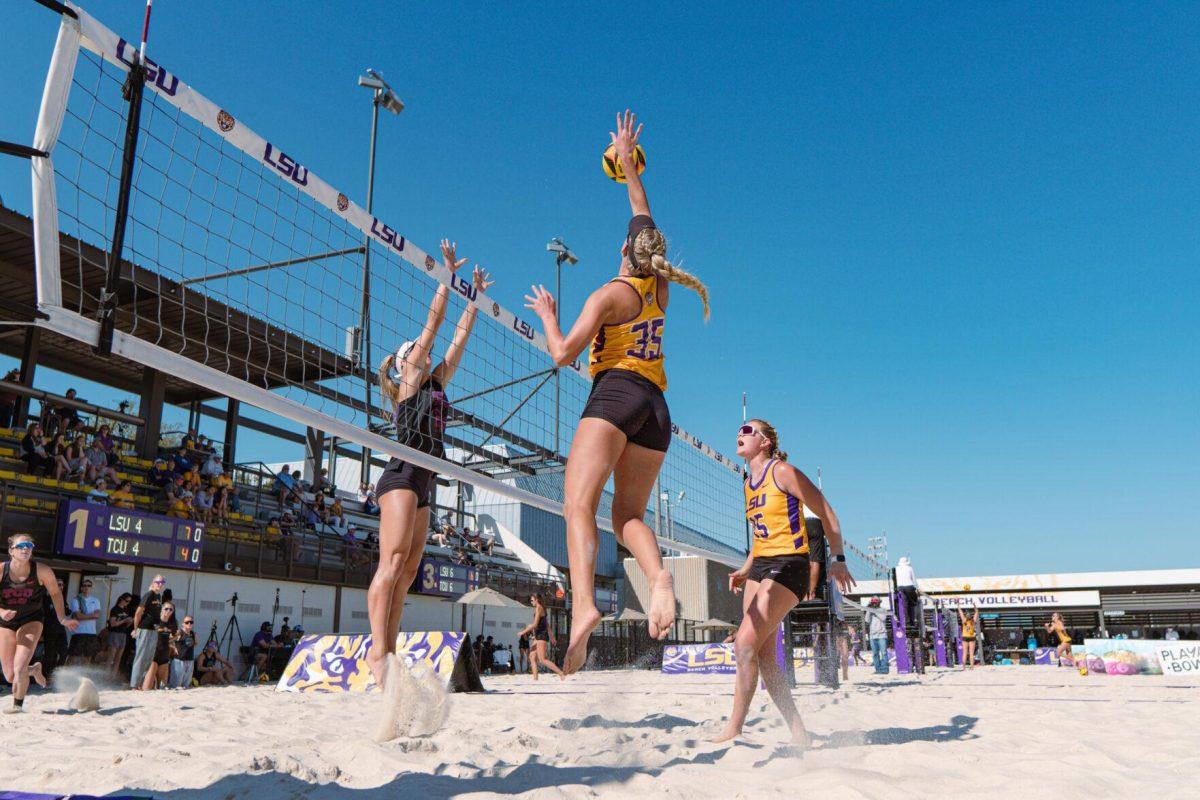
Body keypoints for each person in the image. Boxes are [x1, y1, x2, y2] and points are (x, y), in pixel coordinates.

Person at [523, 111, 711, 674]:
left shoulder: (609, 294)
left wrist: (549, 318)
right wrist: (628, 162)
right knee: (628, 514)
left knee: (576, 504)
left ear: (626, 254)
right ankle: (657, 577)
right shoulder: (659, 290)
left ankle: (583, 608)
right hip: (657, 411)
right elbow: (641, 213)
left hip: (617, 394)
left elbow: (562, 355)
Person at [365, 239, 493, 688]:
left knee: (408, 573)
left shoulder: (436, 381)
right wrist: (446, 275)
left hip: (425, 481)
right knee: (392, 562)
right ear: (404, 365)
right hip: (401, 475)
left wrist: (473, 296)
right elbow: (434, 325)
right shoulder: (408, 383)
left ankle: (391, 650)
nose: (422, 351)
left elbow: (457, 339)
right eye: (415, 351)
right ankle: (376, 653)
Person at [715, 419, 855, 744]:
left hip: (791, 563)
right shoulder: (748, 484)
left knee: (743, 643)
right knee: (763, 656)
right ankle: (798, 732)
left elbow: (826, 511)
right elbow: (761, 533)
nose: (740, 433)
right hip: (761, 564)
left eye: (748, 430)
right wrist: (745, 567)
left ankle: (734, 727)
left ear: (765, 442)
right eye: (738, 429)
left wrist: (839, 558)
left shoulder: (783, 472)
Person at [0, 534, 78, 712]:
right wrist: (2, 612)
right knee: (11, 675)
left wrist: (62, 618)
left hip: (31, 620)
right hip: (5, 622)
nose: (26, 548)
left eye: (30, 545)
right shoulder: (1, 570)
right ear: (11, 551)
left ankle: (17, 706)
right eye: (21, 546)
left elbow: (56, 594)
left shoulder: (41, 570)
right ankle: (34, 669)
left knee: (19, 668)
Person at [130, 574, 167, 688]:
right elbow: (138, 613)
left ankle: (140, 683)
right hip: (144, 629)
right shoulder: (149, 594)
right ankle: (134, 684)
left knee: (149, 658)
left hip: (153, 630)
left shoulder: (159, 596)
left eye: (162, 582)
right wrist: (136, 629)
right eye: (157, 582)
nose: (159, 584)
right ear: (153, 582)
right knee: (141, 657)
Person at [518, 593, 564, 680]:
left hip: (542, 636)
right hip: (537, 636)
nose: (531, 602)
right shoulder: (538, 608)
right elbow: (546, 624)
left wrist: (523, 631)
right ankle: (535, 679)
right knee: (532, 656)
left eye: (532, 600)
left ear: (537, 600)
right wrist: (552, 636)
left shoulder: (539, 608)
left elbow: (535, 624)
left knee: (542, 659)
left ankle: (560, 673)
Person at [66, 577, 103, 665]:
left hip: (91, 632)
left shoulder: (95, 600)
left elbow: (97, 615)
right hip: (78, 632)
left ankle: (83, 676)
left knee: (88, 657)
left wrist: (84, 616)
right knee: (73, 656)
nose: (86, 587)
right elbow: (78, 616)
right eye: (84, 585)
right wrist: (91, 616)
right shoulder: (76, 600)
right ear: (81, 587)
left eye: (89, 586)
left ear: (91, 587)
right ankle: (68, 676)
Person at [142, 601, 178, 690]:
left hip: (164, 655)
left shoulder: (173, 624)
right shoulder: (154, 621)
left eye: (171, 609)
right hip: (152, 655)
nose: (168, 611)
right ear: (161, 609)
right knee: (147, 688)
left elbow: (173, 637)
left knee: (161, 688)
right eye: (166, 609)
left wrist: (173, 644)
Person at [106, 593, 135, 677]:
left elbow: (126, 625)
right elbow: (113, 624)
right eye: (126, 601)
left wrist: (129, 622)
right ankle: (106, 676)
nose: (127, 603)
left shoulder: (126, 610)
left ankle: (113, 676)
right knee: (111, 657)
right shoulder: (115, 609)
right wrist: (124, 620)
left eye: (129, 601)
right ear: (121, 599)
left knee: (118, 658)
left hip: (123, 633)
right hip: (114, 633)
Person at [169, 614, 198, 689]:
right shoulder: (179, 632)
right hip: (179, 660)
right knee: (176, 684)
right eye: (187, 622)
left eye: (191, 622)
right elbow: (168, 640)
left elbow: (195, 644)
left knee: (186, 684)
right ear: (183, 623)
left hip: (190, 660)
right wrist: (174, 647)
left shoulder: (194, 634)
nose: (189, 624)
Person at [864, 597, 890, 674]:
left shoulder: (883, 610)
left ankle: (885, 669)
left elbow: (883, 618)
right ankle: (878, 669)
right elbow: (867, 620)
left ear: (879, 602)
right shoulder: (870, 610)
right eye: (873, 602)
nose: (874, 603)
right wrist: (869, 610)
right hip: (872, 635)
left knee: (884, 653)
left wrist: (874, 611)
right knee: (875, 654)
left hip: (882, 635)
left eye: (876, 602)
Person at [958, 604, 981, 669]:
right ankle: (972, 667)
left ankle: (964, 667)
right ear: (970, 616)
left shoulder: (964, 621)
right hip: (971, 637)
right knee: (971, 653)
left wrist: (958, 605)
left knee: (965, 652)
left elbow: (960, 612)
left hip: (965, 637)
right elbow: (976, 612)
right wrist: (974, 605)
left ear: (966, 616)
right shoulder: (973, 621)